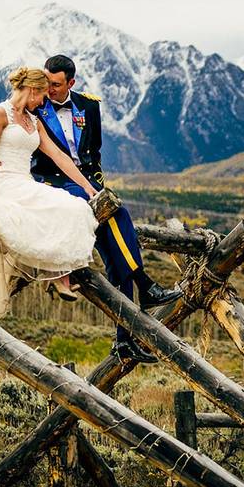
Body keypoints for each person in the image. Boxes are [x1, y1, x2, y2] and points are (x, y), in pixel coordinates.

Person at [30, 54, 179, 364]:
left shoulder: (89, 106)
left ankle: (124, 341)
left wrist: (95, 186)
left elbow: (93, 153)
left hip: (83, 182)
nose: (50, 88)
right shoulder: (35, 104)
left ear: (71, 83)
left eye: (56, 84)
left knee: (115, 257)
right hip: (54, 185)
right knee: (117, 215)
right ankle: (146, 285)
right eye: (47, 81)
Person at [0, 67, 99, 320]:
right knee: (41, 213)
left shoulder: (34, 121)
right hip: (3, 183)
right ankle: (56, 275)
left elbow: (59, 156)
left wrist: (88, 186)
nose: (45, 101)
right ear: (32, 90)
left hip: (25, 181)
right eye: (43, 95)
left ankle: (57, 273)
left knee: (74, 206)